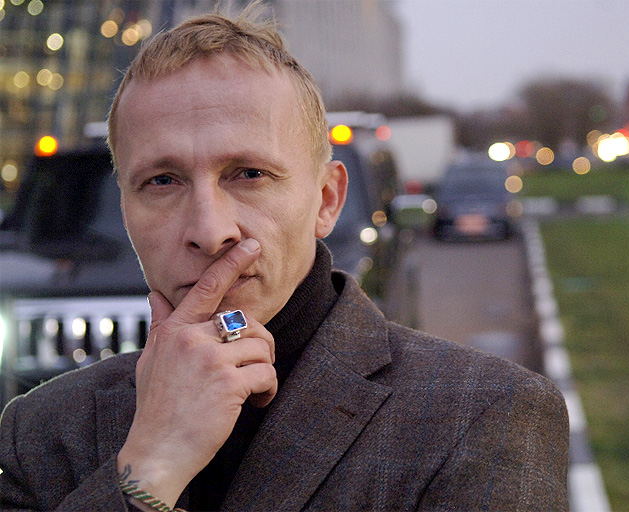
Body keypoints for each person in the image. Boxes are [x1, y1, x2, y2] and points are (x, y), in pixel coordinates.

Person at [0, 4, 569, 511]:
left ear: (327, 200)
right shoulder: (36, 432)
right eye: (163, 181)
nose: (210, 231)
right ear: (125, 209)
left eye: (248, 174)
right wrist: (150, 469)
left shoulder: (483, 415)